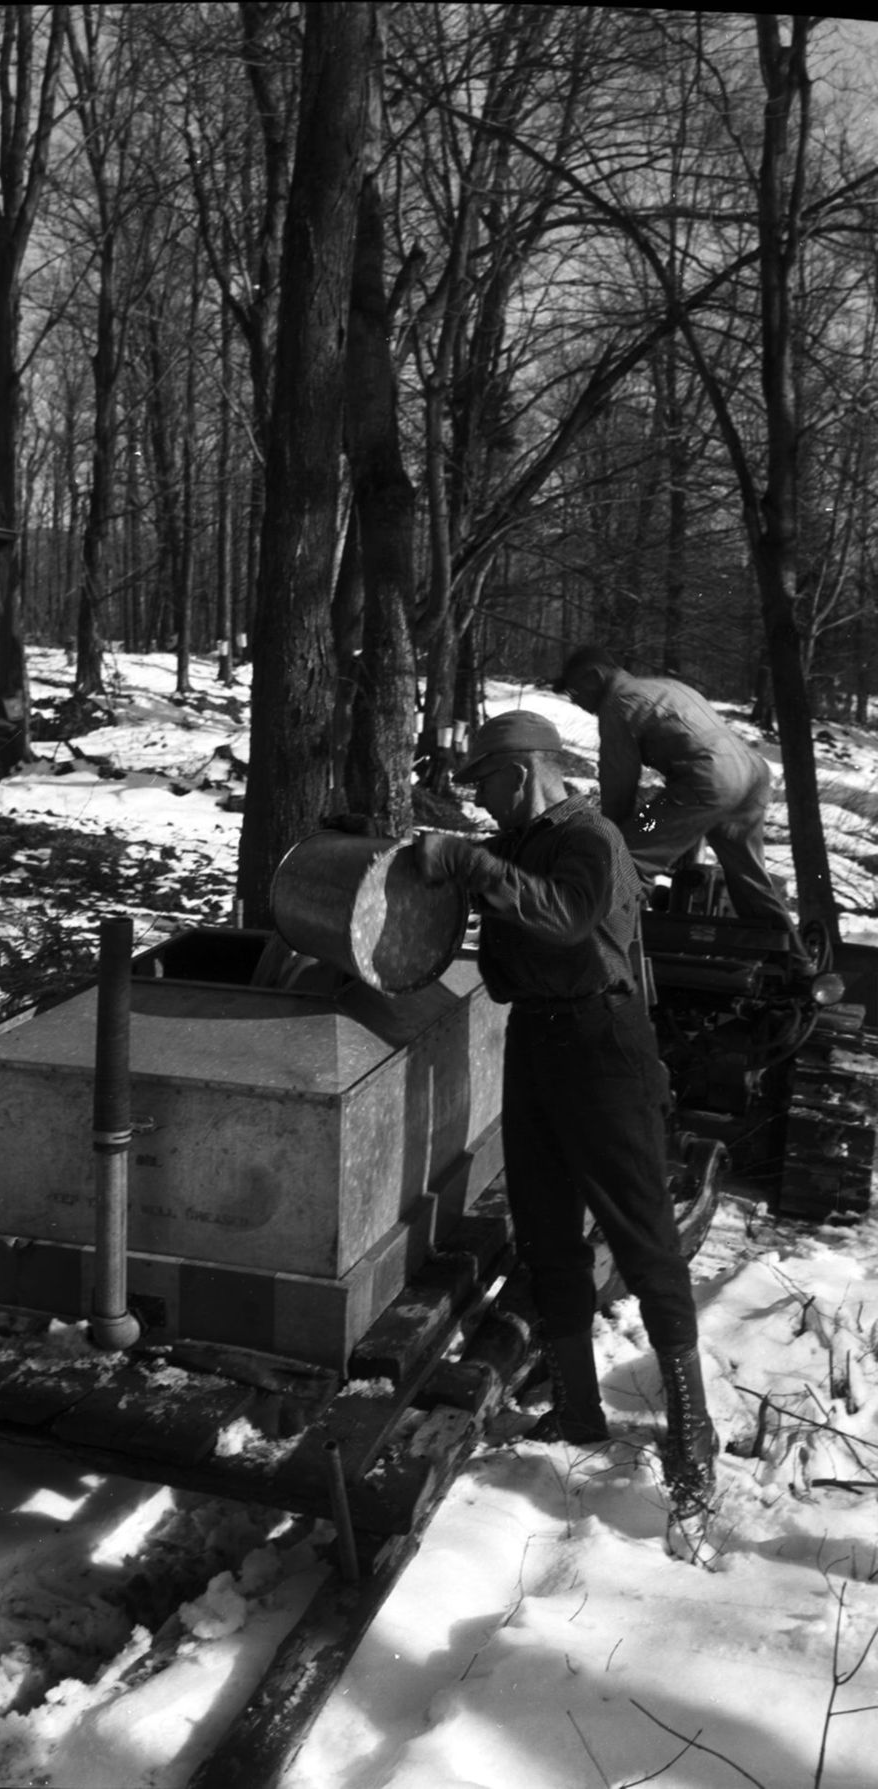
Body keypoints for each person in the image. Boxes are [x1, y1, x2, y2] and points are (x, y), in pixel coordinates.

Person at [413, 709, 717, 1525]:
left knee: (641, 1236)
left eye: (487, 786)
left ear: (523, 772)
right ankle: (578, 1408)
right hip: (537, 1040)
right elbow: (478, 889)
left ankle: (694, 1430)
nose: (484, 804)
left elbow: (569, 917)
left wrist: (474, 862)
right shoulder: (511, 844)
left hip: (602, 1043)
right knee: (544, 1230)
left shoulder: (593, 837)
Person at [552, 645, 808, 962]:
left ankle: (606, 958)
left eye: (575, 691)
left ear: (595, 676)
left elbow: (619, 784)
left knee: (623, 857)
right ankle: (795, 966)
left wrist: (618, 837)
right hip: (751, 777)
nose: (575, 701)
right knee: (751, 881)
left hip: (707, 780)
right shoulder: (663, 687)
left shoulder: (617, 704)